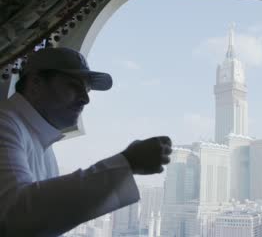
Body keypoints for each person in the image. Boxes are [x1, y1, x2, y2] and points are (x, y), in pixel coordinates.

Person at [0, 47, 173, 236]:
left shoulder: (40, 143)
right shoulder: (5, 125)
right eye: (74, 87)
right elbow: (16, 215)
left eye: (87, 89)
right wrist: (128, 162)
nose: (86, 99)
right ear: (35, 83)